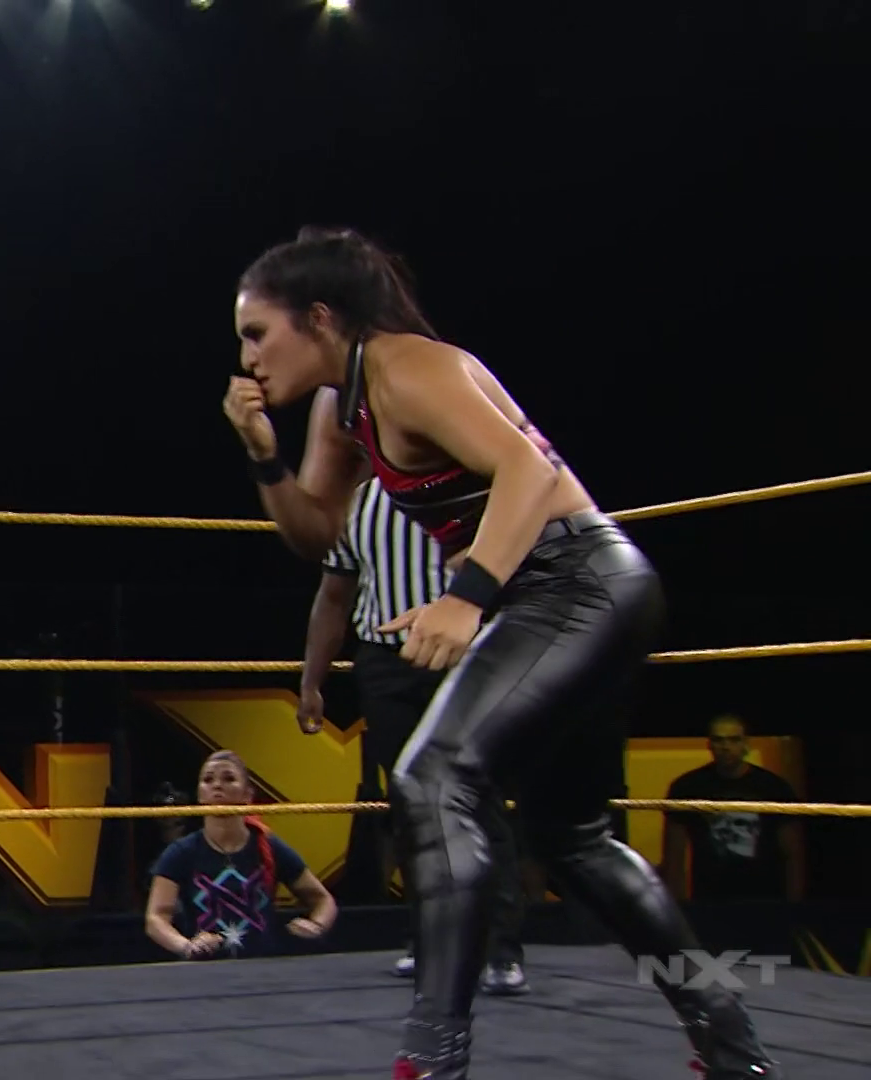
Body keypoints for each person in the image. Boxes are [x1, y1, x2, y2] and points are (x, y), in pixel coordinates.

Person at [221, 227, 775, 1079]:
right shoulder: (343, 405)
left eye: (258, 333)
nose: (248, 358)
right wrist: (265, 458)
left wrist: (465, 598)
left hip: (580, 582)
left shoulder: (409, 366)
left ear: (319, 317)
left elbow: (528, 471)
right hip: (562, 594)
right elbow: (320, 536)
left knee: (431, 777)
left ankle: (434, 1059)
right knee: (574, 837)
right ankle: (731, 1046)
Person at [301, 476, 531, 994]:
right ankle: (429, 939)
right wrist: (312, 682)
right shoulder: (356, 500)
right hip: (385, 662)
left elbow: (514, 576)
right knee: (410, 803)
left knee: (478, 797)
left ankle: (500, 947)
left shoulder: (464, 486)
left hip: (464, 656)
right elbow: (334, 595)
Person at [146, 751, 338, 961]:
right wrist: (187, 946)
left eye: (228, 779)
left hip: (264, 969)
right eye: (208, 780)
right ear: (200, 794)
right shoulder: (182, 852)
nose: (217, 786)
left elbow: (322, 900)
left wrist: (316, 926)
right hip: (205, 970)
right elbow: (156, 918)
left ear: (247, 794)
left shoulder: (268, 845)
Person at [663, 716, 804, 903]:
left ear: (746, 744)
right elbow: (674, 855)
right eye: (719, 740)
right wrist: (678, 905)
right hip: (710, 898)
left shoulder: (773, 787)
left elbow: (793, 853)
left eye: (734, 740)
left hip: (766, 897)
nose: (726, 747)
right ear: (709, 744)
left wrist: (795, 906)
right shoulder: (687, 787)